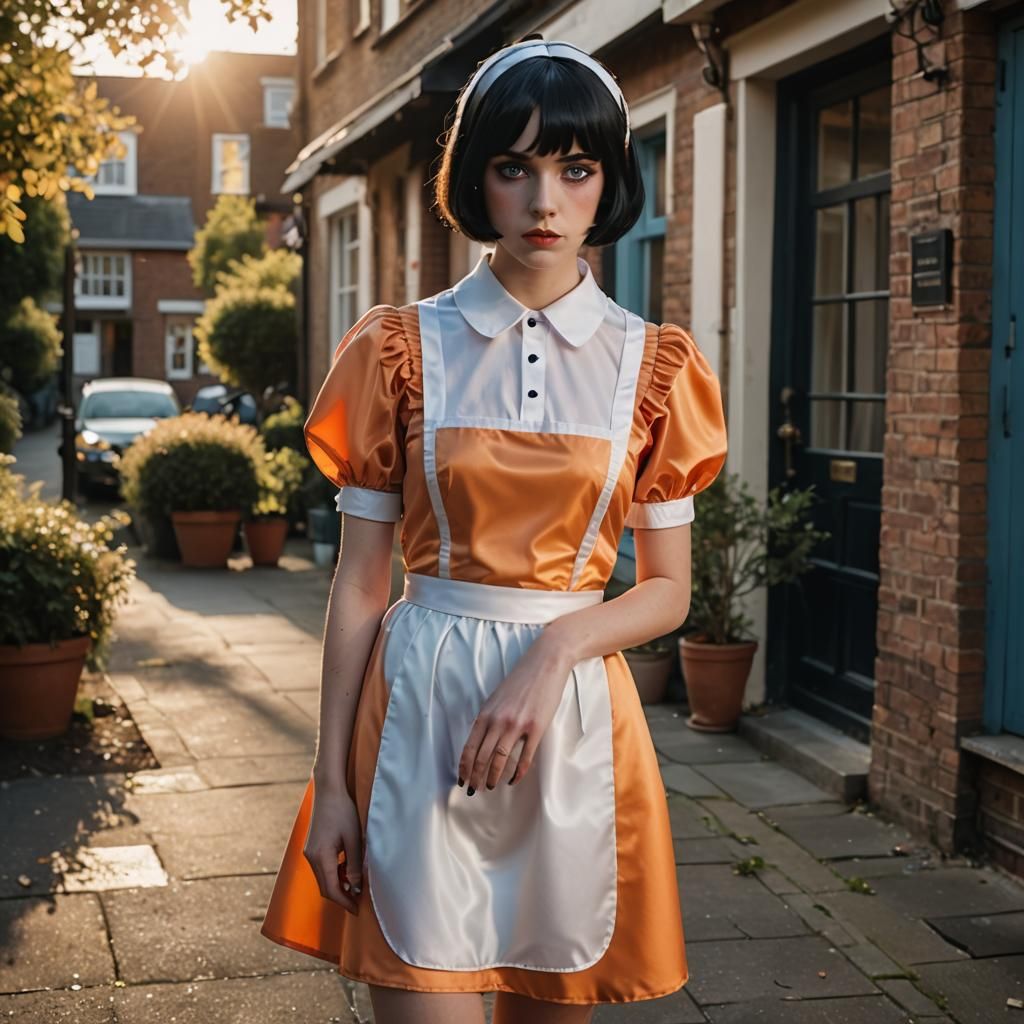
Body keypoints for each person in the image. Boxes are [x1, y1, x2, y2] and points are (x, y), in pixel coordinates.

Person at [261, 35, 728, 1024]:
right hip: (417, 722)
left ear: (609, 181)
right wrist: (329, 783)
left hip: (572, 738)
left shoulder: (655, 368)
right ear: (476, 179)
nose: (544, 201)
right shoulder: (397, 350)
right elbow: (357, 584)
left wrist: (559, 645)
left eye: (575, 167)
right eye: (513, 168)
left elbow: (666, 588)